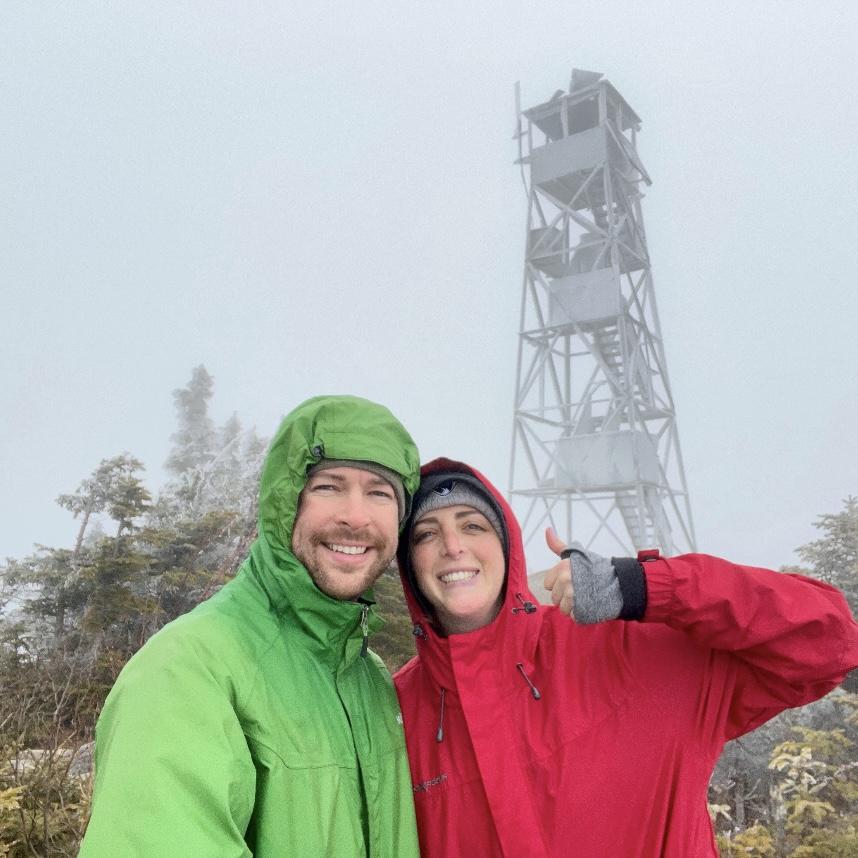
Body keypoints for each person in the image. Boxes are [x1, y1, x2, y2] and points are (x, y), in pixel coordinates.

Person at [394, 457, 858, 858]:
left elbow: (828, 639)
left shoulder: (635, 648)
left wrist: (649, 586)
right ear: (408, 564)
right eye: (425, 534)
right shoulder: (395, 711)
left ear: (507, 546)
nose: (452, 546)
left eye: (473, 525)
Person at [80, 395, 422, 857]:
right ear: (285, 502)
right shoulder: (186, 670)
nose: (355, 516)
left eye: (379, 493)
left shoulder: (371, 679)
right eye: (328, 486)